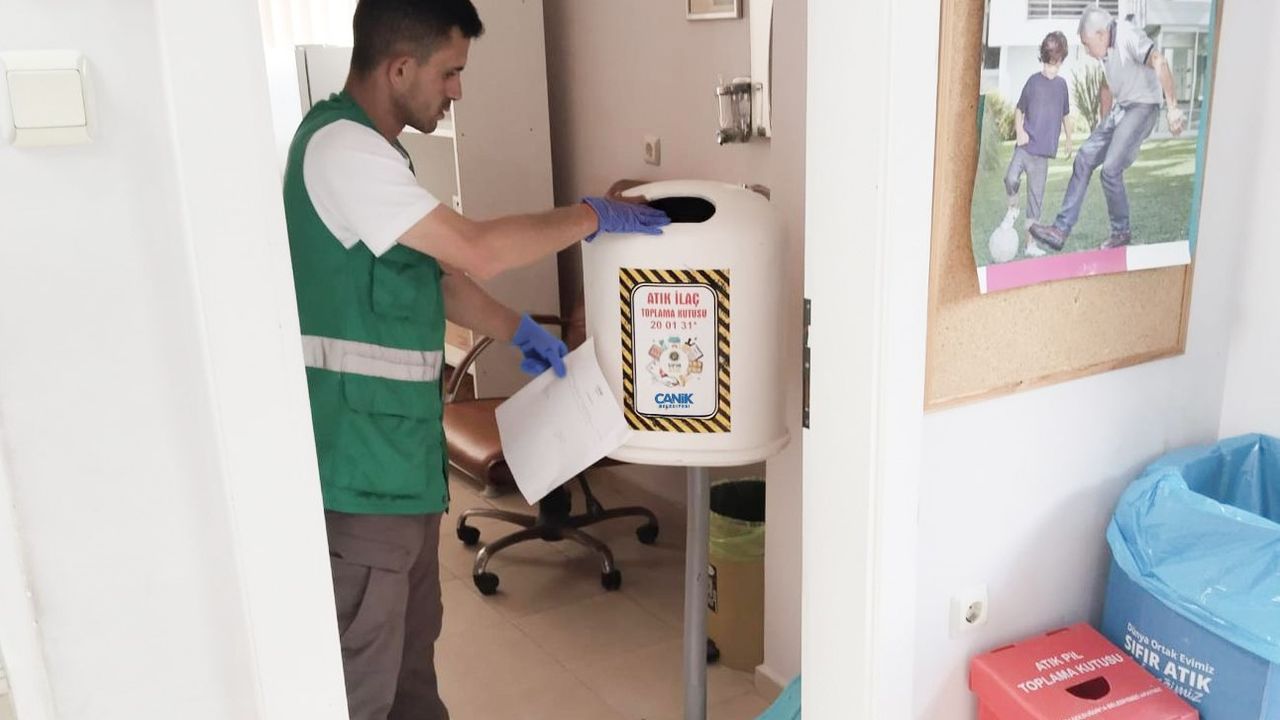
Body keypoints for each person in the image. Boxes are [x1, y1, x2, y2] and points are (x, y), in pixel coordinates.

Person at [280, 1, 669, 718]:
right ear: (401, 68)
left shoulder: (379, 154)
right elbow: (477, 249)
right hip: (359, 474)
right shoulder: (341, 152)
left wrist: (520, 330)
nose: (457, 90)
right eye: (449, 72)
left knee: (410, 665)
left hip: (401, 466)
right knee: (365, 683)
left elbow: (438, 279)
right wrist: (589, 215)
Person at [1029, 7, 1186, 251]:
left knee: (1110, 169)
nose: (1087, 51)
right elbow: (1105, 87)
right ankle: (1060, 230)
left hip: (1143, 107)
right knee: (1084, 157)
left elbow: (1159, 61)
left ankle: (1121, 232)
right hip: (1122, 108)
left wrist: (1173, 108)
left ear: (1101, 34)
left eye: (1087, 44)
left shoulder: (1128, 35)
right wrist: (1103, 127)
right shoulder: (1104, 51)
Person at [1003, 31, 1073, 258]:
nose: (1051, 69)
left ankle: (1030, 245)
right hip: (1024, 148)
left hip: (1042, 156)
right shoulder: (1033, 82)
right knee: (1010, 178)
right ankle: (1013, 209)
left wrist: (1069, 140)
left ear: (1061, 62)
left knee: (1035, 203)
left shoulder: (1062, 86)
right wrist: (1020, 131)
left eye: (1055, 65)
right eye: (1048, 64)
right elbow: (1019, 110)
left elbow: (1066, 115)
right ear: (1043, 59)